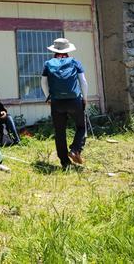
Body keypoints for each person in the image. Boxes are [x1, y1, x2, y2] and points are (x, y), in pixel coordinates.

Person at [41, 38, 88, 169]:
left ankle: (65, 162)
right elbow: (83, 82)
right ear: (68, 50)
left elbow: (43, 83)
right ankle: (75, 150)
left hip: (57, 102)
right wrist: (85, 98)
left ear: (54, 51)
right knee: (81, 127)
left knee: (60, 132)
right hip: (74, 101)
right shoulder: (75, 62)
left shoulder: (48, 63)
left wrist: (48, 98)